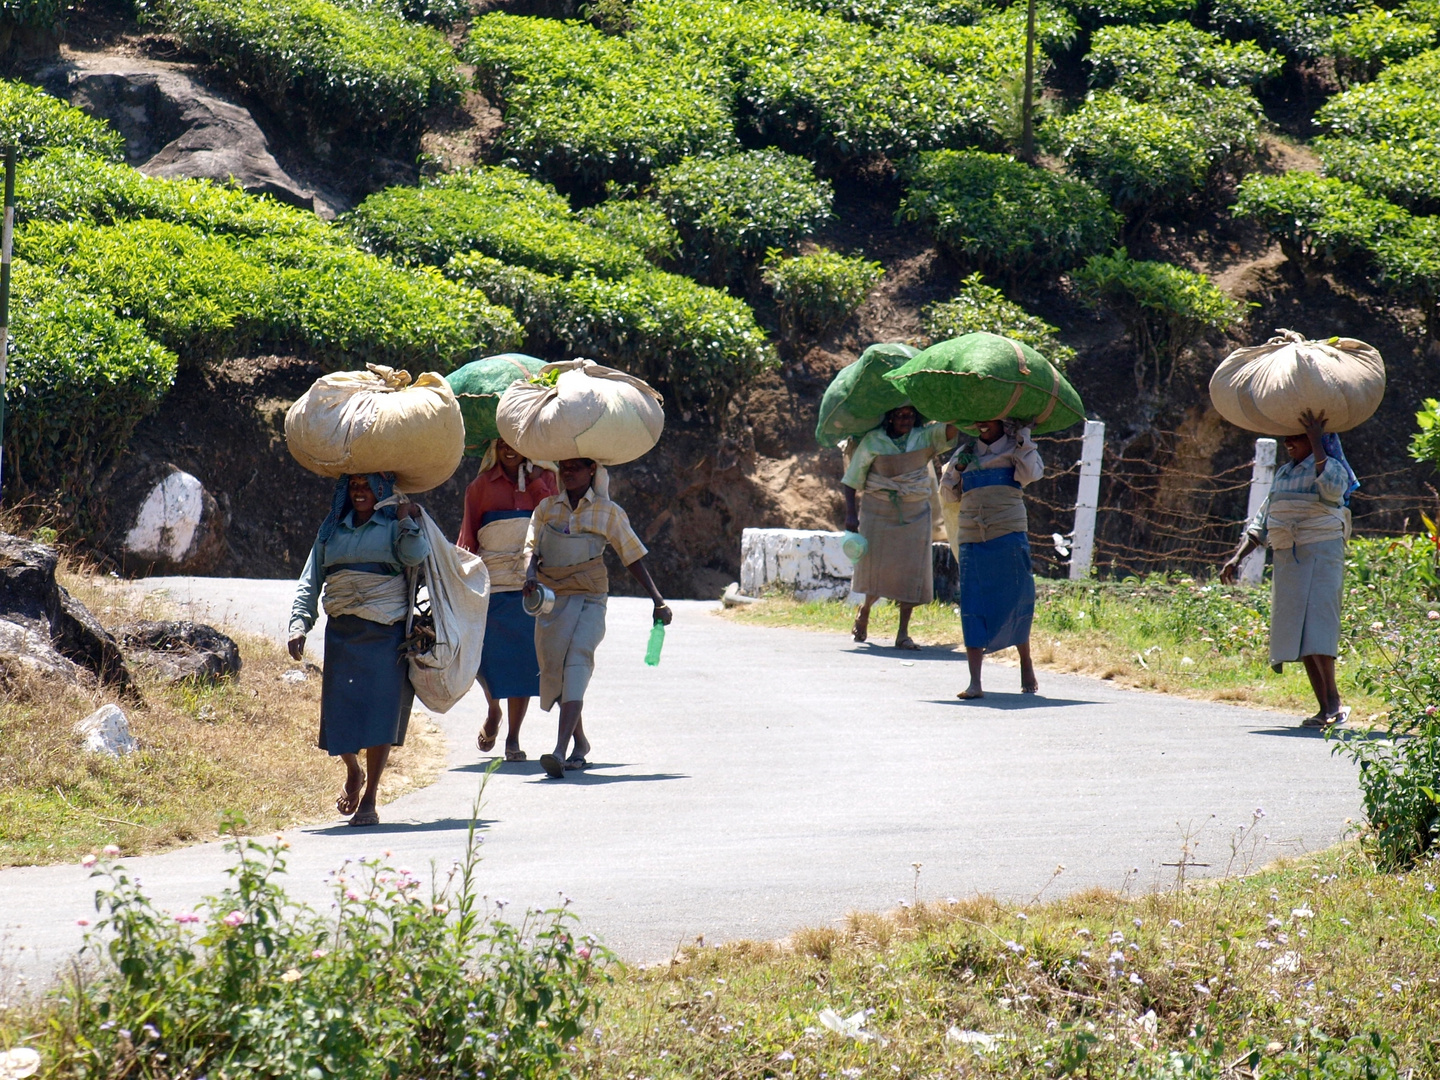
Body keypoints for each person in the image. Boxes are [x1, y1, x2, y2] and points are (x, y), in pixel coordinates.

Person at [288, 473, 428, 827]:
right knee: (342, 714)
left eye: (367, 486)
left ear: (381, 490)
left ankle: (370, 798)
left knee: (380, 714)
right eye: (354, 486)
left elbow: (416, 556)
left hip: (385, 632)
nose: (360, 492)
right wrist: (299, 623)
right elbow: (311, 577)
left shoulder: (394, 522)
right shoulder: (332, 528)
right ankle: (353, 770)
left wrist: (407, 521)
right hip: (343, 633)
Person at [521, 458, 672, 780]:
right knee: (556, 667)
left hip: (590, 597)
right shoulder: (547, 508)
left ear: (593, 471)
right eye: (565, 467)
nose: (570, 472)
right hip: (552, 597)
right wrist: (530, 574)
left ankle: (559, 751)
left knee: (577, 659)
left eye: (578, 466)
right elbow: (531, 548)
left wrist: (657, 600)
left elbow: (631, 555)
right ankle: (580, 745)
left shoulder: (607, 511)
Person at [1221, 409, 1358, 728]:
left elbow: (1334, 490)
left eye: (1296, 437)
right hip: (1289, 560)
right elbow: (1265, 518)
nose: (1288, 442)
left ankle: (1334, 702)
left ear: (1316, 440)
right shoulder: (1284, 473)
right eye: (1288, 437)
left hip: (1322, 556)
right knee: (1300, 632)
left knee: (1319, 629)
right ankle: (1325, 707)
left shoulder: (1330, 466)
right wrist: (1237, 557)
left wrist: (1315, 439)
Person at [457, 437, 559, 761]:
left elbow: (554, 521)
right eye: (503, 444)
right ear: (495, 448)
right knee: (484, 659)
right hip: (492, 585)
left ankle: (513, 738)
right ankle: (493, 710)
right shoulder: (480, 487)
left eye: (517, 443)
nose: (509, 450)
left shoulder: (544, 482)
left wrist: (535, 481)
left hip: (530, 588)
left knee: (524, 663)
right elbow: (468, 538)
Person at [940, 417, 1043, 699]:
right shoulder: (964, 454)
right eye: (979, 420)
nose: (983, 425)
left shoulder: (1015, 448)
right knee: (973, 603)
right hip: (972, 534)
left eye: (990, 420)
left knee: (1018, 596)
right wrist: (957, 472)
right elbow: (948, 495)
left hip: (1007, 531)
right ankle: (975, 682)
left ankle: (1026, 662)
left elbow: (1031, 474)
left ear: (1003, 422)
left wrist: (1024, 438)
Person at [842, 405, 957, 649]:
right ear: (890, 417)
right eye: (901, 415)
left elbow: (949, 432)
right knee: (877, 569)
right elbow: (851, 480)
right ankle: (865, 609)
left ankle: (903, 633)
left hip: (915, 512)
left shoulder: (924, 436)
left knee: (912, 570)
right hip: (877, 511)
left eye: (910, 415)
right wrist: (851, 516)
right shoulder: (874, 441)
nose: (906, 420)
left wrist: (958, 405)